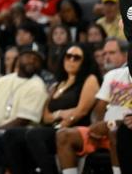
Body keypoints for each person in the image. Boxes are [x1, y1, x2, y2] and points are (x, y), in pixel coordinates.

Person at [0, 44, 101, 173]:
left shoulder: (89, 79)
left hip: (75, 129)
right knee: (11, 135)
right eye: (68, 56)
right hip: (54, 128)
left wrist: (64, 121)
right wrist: (60, 113)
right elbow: (45, 115)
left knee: (34, 135)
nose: (71, 60)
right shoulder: (58, 84)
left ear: (85, 60)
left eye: (76, 57)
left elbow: (82, 111)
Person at [54, 38, 132, 174]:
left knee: (115, 131)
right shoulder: (112, 75)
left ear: (126, 55)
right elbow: (98, 109)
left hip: (123, 130)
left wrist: (111, 125)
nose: (106, 57)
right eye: (104, 53)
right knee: (63, 135)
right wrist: (96, 126)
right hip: (104, 129)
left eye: (112, 53)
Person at [0, 46, 50, 173]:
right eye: (28, 56)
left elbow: (23, 120)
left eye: (36, 59)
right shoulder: (3, 80)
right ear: (19, 59)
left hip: (18, 135)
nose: (32, 61)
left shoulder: (37, 86)